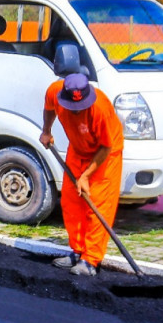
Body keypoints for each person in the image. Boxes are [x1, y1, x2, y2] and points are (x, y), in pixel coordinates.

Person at [39, 72, 124, 276]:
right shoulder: (54, 90)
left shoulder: (100, 109)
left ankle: (91, 260)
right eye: (73, 108)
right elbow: (49, 108)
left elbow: (105, 147)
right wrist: (46, 130)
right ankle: (77, 251)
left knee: (97, 205)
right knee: (71, 201)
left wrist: (85, 176)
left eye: (81, 108)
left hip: (105, 154)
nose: (77, 113)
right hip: (78, 149)